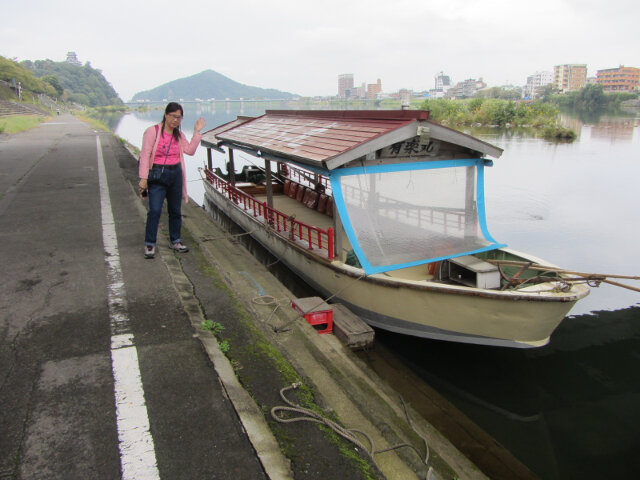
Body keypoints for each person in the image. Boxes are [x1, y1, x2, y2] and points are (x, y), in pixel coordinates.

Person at [138, 102, 205, 259]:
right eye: (173, 116)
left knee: (175, 210)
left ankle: (176, 240)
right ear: (166, 115)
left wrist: (197, 132)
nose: (176, 120)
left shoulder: (179, 135)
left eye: (179, 117)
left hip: (175, 174)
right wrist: (143, 179)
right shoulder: (152, 131)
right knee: (154, 210)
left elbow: (189, 151)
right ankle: (150, 243)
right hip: (157, 174)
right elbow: (145, 154)